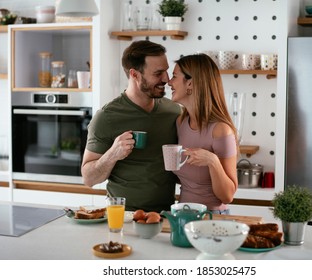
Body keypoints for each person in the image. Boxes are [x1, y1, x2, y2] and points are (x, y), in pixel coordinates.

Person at [81, 40, 181, 212]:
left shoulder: (174, 111)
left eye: (166, 71)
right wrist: (112, 154)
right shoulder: (106, 117)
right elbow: (89, 179)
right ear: (135, 74)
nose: (166, 79)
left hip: (165, 215)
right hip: (123, 216)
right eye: (158, 73)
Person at [167, 53, 238, 214]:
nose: (169, 82)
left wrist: (212, 161)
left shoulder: (220, 130)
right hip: (182, 214)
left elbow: (227, 196)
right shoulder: (181, 122)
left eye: (174, 76)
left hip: (212, 218)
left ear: (190, 83)